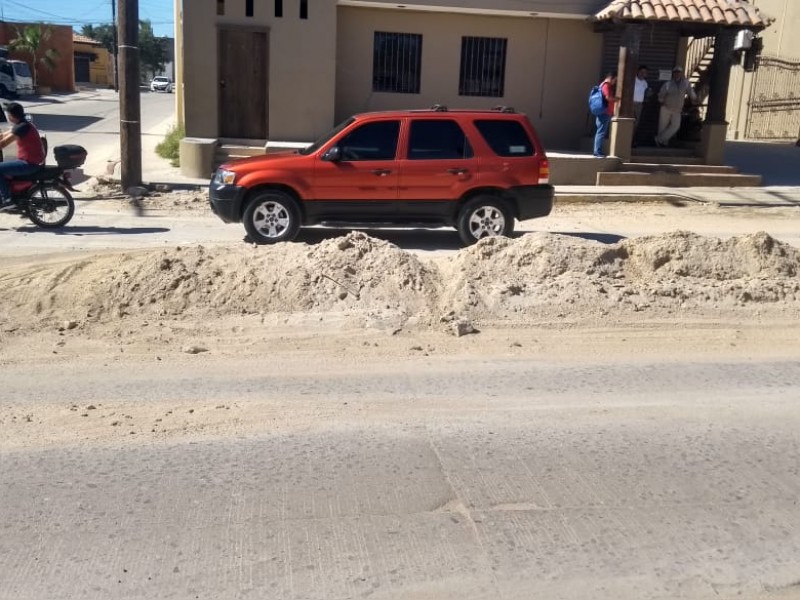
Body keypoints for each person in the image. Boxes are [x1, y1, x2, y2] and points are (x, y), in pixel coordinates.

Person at [0, 102, 45, 209]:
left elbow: (3, 143)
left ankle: (7, 199)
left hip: (29, 164)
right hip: (32, 161)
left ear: (10, 115)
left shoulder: (21, 127)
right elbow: (3, 135)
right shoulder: (22, 124)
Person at [655, 66, 698, 147]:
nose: (677, 74)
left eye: (679, 72)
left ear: (681, 73)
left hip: (677, 110)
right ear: (673, 73)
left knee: (675, 126)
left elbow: (691, 92)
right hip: (666, 108)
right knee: (662, 127)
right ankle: (663, 144)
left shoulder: (686, 83)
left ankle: (658, 139)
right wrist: (661, 102)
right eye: (675, 72)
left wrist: (694, 98)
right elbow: (661, 94)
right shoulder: (667, 84)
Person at [594, 72, 619, 158]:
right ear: (611, 78)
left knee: (600, 131)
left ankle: (597, 151)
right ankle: (597, 152)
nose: (615, 82)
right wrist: (617, 99)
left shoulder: (602, 85)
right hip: (604, 112)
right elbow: (608, 97)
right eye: (615, 80)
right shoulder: (606, 85)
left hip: (603, 112)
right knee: (601, 132)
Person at [633, 65, 649, 146]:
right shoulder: (633, 80)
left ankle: (632, 141)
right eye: (641, 72)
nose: (643, 74)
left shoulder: (645, 83)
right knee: (629, 122)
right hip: (631, 104)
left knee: (636, 124)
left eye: (645, 73)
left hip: (639, 105)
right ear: (637, 72)